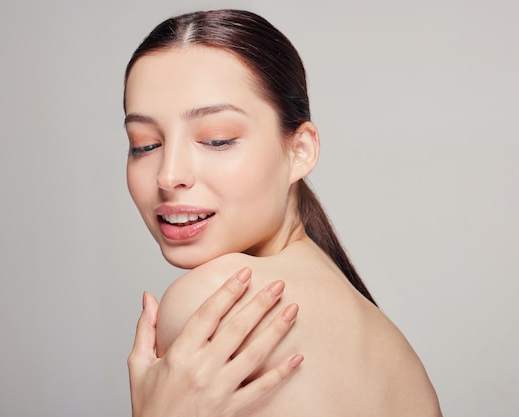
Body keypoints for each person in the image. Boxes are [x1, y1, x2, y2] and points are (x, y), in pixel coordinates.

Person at [124, 9, 441, 416]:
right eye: (145, 144)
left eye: (217, 140)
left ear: (300, 150)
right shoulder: (384, 339)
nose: (169, 175)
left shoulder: (215, 302)